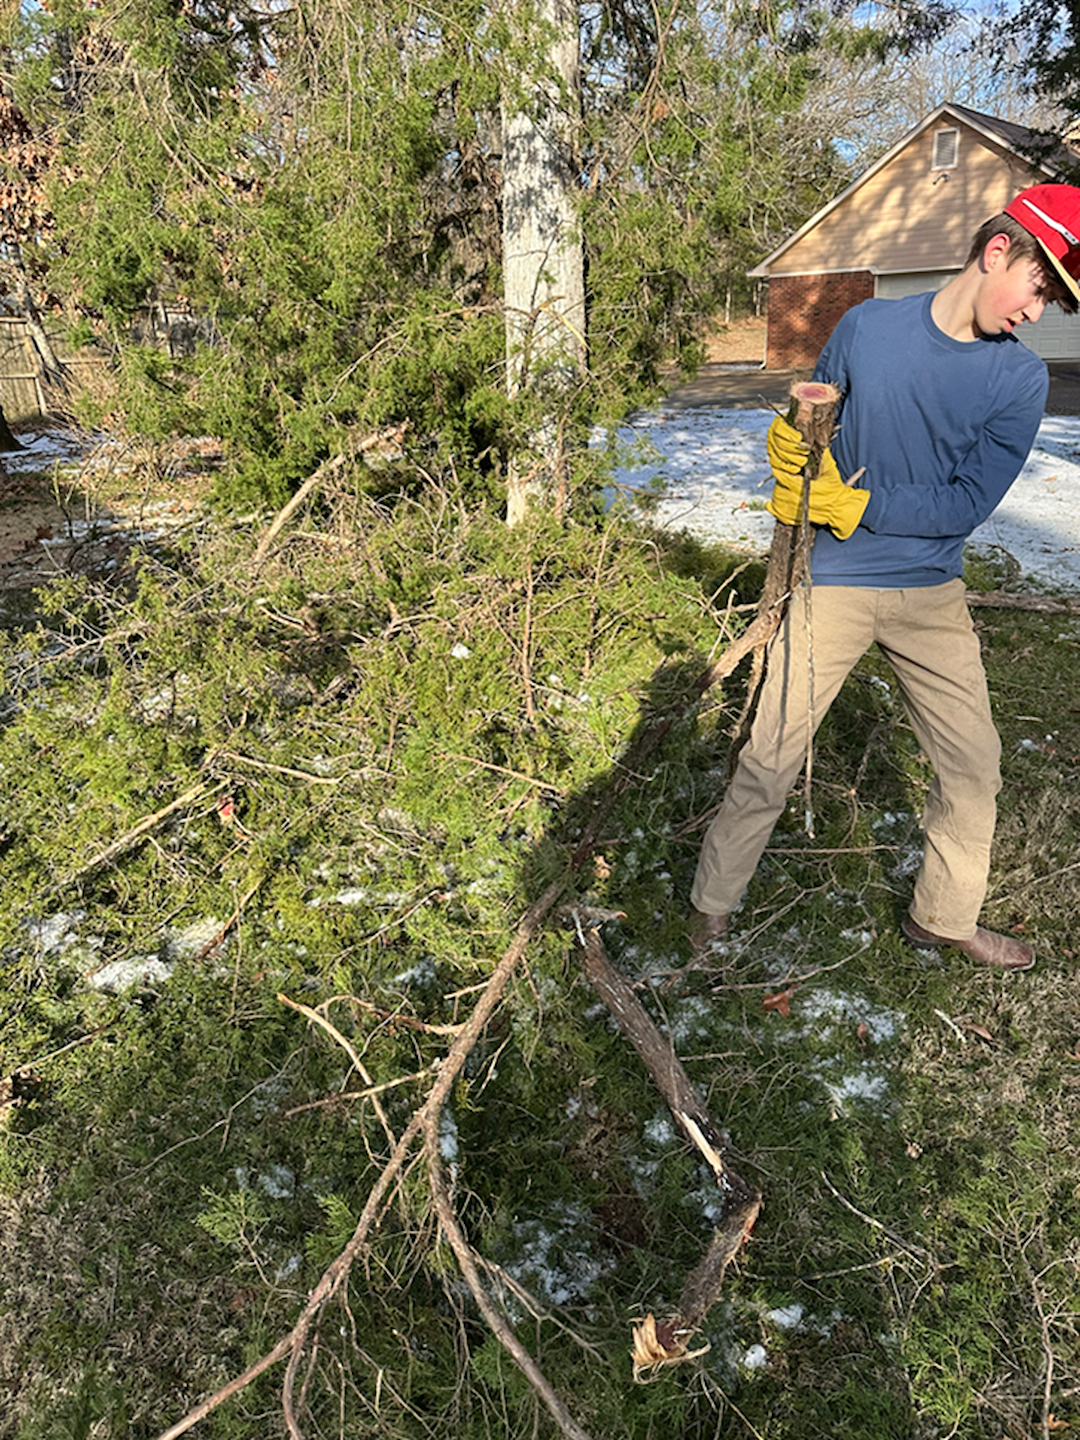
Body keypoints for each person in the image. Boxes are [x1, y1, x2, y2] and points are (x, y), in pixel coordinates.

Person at [689, 183, 1080, 971]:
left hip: (931, 592)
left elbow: (966, 504)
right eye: (1040, 289)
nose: (1038, 313)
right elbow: (815, 421)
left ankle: (944, 917)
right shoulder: (867, 327)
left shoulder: (1019, 380)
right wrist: (790, 445)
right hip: (833, 582)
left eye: (1052, 304)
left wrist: (858, 503)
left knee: (973, 767)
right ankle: (709, 911)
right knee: (771, 756)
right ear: (996, 251)